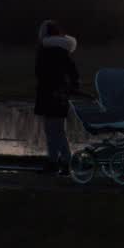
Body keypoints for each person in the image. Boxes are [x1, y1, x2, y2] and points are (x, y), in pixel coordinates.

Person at [34, 20, 80, 175]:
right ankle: (56, 161)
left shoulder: (48, 51)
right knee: (55, 130)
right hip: (58, 94)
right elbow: (73, 73)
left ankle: (63, 161)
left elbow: (41, 73)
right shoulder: (61, 51)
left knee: (54, 130)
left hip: (51, 93)